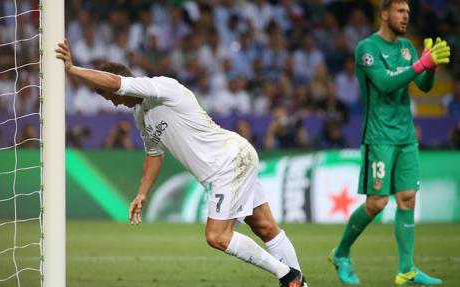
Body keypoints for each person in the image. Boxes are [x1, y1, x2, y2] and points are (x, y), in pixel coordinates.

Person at [55, 39, 308, 287]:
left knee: (217, 236)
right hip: (234, 159)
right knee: (265, 227)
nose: (112, 101)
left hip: (227, 162)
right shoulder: (141, 116)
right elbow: (154, 154)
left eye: (108, 94)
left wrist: (73, 70)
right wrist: (142, 194)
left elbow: (117, 83)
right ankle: (299, 282)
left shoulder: (162, 87)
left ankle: (288, 276)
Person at [328, 0, 450, 285]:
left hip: (405, 136)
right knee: (377, 202)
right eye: (400, 11)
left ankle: (406, 269)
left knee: (407, 198)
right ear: (384, 14)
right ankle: (341, 252)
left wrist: (429, 69)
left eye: (408, 12)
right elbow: (384, 83)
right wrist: (421, 63)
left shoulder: (406, 47)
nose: (406, 16)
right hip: (379, 136)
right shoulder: (366, 49)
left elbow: (423, 87)